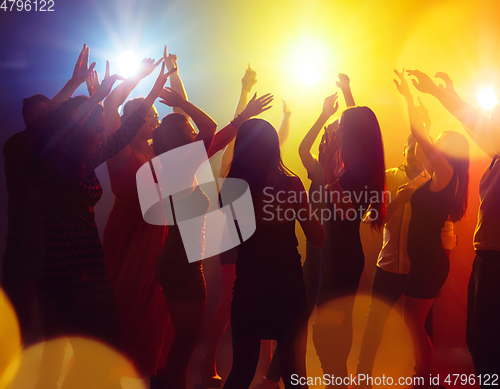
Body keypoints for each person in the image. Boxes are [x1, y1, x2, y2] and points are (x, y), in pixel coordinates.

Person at [32, 53, 171, 387]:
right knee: (78, 352)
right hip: (64, 268)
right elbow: (65, 133)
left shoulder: (87, 160)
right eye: (93, 129)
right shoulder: (52, 162)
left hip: (90, 266)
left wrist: (153, 91)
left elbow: (121, 136)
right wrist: (94, 98)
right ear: (77, 133)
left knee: (99, 350)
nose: (99, 134)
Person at [151, 87, 273, 389]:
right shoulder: (181, 166)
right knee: (187, 338)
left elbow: (216, 138)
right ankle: (168, 384)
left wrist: (244, 115)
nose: (196, 133)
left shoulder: (179, 165)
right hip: (181, 261)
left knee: (184, 336)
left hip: (179, 258)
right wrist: (182, 104)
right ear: (181, 141)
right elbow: (211, 129)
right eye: (189, 131)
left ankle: (169, 382)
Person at [407, 69, 499, 384]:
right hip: (487, 256)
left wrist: (438, 94)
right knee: (480, 340)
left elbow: (476, 124)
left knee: (485, 342)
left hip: (495, 258)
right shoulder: (495, 156)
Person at [204, 64, 291, 388]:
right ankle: (209, 363)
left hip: (255, 245)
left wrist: (288, 116)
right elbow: (234, 130)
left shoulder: (268, 173)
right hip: (233, 243)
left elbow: (279, 139)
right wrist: (244, 92)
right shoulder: (231, 166)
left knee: (261, 302)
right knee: (229, 303)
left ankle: (266, 367)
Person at [222, 118, 325, 389]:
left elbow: (232, 239)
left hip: (249, 287)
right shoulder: (291, 186)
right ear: (274, 149)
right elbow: (318, 238)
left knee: (241, 372)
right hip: (287, 289)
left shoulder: (233, 189)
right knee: (294, 375)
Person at [355, 131, 457, 382]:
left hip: (420, 268)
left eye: (419, 148)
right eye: (410, 147)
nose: (415, 153)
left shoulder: (434, 181)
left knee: (422, 327)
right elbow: (371, 219)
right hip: (388, 263)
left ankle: (423, 377)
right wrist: (397, 200)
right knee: (374, 325)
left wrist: (441, 272)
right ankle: (363, 376)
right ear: (404, 149)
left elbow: (446, 231)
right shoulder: (387, 178)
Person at [101, 50, 177, 376]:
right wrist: (147, 79)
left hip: (153, 245)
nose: (156, 119)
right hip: (126, 237)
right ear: (135, 121)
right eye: (150, 115)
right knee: (120, 312)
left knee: (149, 319)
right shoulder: (121, 152)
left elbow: (205, 142)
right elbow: (109, 106)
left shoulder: (157, 158)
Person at [395, 69, 469, 383]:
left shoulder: (446, 173)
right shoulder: (443, 177)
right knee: (414, 325)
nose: (432, 149)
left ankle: (425, 378)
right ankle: (423, 376)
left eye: (439, 145)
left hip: (428, 265)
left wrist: (410, 99)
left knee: (412, 326)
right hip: (426, 263)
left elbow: (419, 134)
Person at [313, 93, 386, 389]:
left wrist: (329, 172)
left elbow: (345, 211)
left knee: (324, 334)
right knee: (336, 328)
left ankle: (338, 382)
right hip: (340, 254)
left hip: (343, 258)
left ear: (354, 132)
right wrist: (330, 165)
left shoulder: (360, 170)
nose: (337, 128)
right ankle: (338, 380)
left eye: (342, 124)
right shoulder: (355, 166)